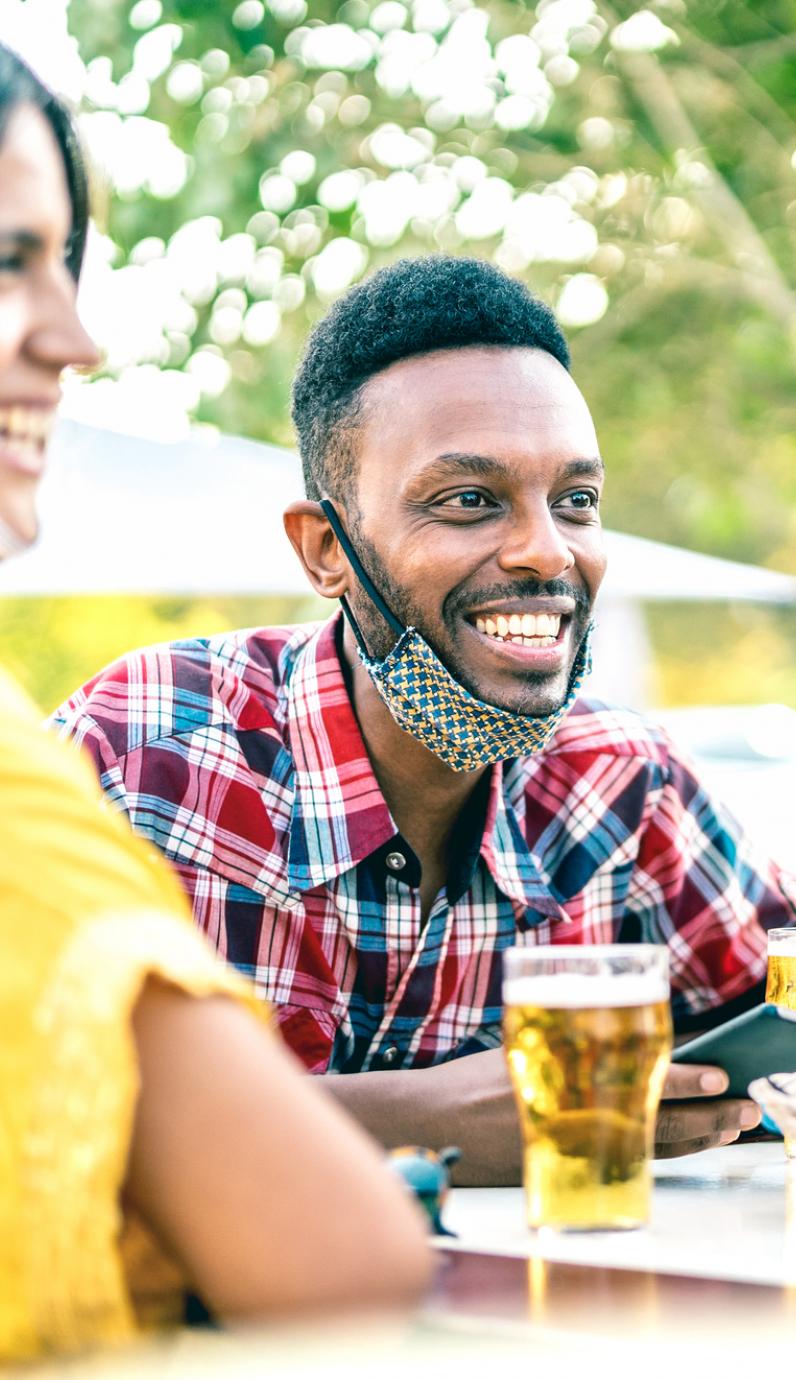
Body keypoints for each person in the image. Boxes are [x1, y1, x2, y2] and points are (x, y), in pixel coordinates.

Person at [51, 255, 796, 1185]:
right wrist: (426, 1124)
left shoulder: (623, 779)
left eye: (576, 502)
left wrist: (721, 1095)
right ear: (326, 550)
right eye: (469, 501)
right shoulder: (145, 749)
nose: (547, 551)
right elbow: (34, 1097)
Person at [0, 44, 431, 1358]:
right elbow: (340, 1263)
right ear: (321, 548)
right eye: (8, 260)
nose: (78, 338)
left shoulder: (621, 773)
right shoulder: (103, 750)